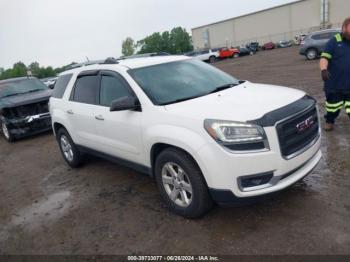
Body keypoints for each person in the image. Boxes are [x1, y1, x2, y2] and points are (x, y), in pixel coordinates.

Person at [320, 17, 350, 131]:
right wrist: (323, 69)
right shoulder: (334, 41)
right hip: (335, 84)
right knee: (333, 107)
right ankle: (329, 121)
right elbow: (324, 57)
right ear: (344, 28)